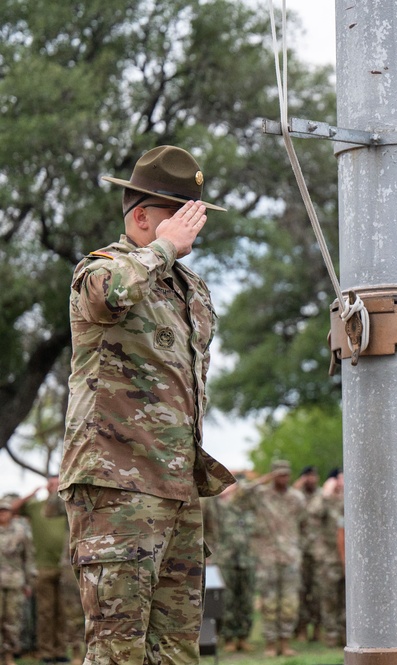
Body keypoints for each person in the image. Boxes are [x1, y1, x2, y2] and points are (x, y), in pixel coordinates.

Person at [59, 145, 235, 665]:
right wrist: (160, 250)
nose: (193, 228)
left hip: (176, 489)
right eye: (181, 215)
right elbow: (105, 298)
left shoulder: (191, 289)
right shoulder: (102, 269)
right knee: (118, 649)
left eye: (196, 216)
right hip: (117, 488)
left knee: (178, 650)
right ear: (141, 216)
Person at [11, 477, 84, 664]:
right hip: (43, 567)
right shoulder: (37, 506)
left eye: (57, 483)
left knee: (64, 613)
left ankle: (60, 651)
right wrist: (32, 493)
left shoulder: (68, 506)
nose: (54, 487)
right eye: (51, 483)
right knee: (45, 613)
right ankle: (46, 652)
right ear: (46, 485)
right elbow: (11, 509)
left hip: (66, 568)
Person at [237, 461, 307, 657]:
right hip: (266, 556)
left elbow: (303, 522)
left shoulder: (296, 498)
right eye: (279, 475)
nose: (283, 478)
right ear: (273, 475)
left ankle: (285, 642)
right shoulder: (260, 495)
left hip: (290, 557)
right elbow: (238, 496)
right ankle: (270, 642)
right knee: (268, 601)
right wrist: (261, 481)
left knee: (289, 602)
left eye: (286, 474)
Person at [216, 480, 257, 653]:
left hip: (247, 561)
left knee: (246, 601)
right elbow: (210, 500)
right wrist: (229, 490)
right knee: (228, 601)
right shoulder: (222, 509)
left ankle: (243, 637)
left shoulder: (251, 512)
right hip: (227, 561)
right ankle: (229, 638)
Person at [307, 469, 346, 648]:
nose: (342, 481)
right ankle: (331, 633)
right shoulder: (326, 500)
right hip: (329, 558)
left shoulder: (349, 499)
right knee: (329, 598)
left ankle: (347, 633)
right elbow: (312, 512)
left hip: (348, 558)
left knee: (347, 599)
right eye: (339, 478)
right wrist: (326, 493)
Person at [0, 497, 35, 665]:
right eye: (0, 511)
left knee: (12, 620)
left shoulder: (20, 531)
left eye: (5, 511)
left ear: (11, 513)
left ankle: (9, 655)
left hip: (15, 582)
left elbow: (28, 558)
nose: (2, 514)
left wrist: (28, 583)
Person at [293, 466, 321, 643]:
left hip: (319, 551)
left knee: (318, 592)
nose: (311, 479)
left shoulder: (322, 495)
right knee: (301, 591)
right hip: (300, 551)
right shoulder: (296, 495)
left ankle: (317, 630)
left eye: (313, 476)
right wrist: (297, 486)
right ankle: (301, 628)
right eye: (307, 476)